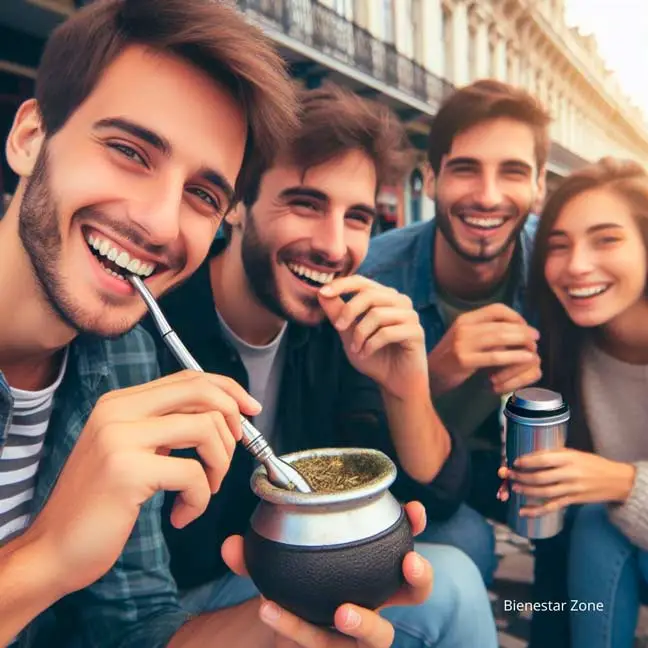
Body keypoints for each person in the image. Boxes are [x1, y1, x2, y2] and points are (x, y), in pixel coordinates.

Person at [0, 2, 432, 647]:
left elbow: (136, 629)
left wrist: (298, 629)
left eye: (202, 194)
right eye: (128, 150)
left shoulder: (127, 359)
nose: (161, 224)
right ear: (31, 137)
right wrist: (47, 557)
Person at [147, 84, 499, 648]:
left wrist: (406, 383)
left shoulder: (333, 328)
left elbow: (429, 497)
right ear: (236, 202)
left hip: (299, 560)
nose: (334, 246)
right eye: (306, 204)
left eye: (358, 217)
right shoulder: (162, 328)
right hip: (186, 596)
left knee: (467, 539)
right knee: (455, 579)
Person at [359, 79, 550, 585]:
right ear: (432, 179)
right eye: (465, 169)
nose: (488, 197)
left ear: (540, 186)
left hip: (518, 476)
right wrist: (432, 373)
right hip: (423, 485)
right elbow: (355, 441)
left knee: (567, 530)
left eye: (513, 172)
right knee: (467, 547)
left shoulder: (564, 274)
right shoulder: (371, 275)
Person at [500, 157, 648, 648]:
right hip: (603, 552)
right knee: (588, 525)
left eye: (606, 239)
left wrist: (621, 481)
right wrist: (512, 412)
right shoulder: (558, 345)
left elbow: (601, 483)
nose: (577, 265)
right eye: (558, 246)